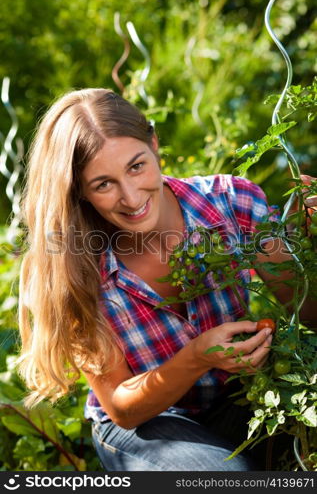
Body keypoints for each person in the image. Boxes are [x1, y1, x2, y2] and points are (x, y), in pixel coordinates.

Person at [18, 88, 316, 471]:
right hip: (146, 424)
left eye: (137, 166)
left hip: (241, 398)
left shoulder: (231, 203)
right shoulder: (74, 265)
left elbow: (308, 310)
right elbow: (123, 408)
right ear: (80, 191)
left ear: (154, 144)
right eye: (103, 184)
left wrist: (313, 246)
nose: (130, 197)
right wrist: (195, 358)